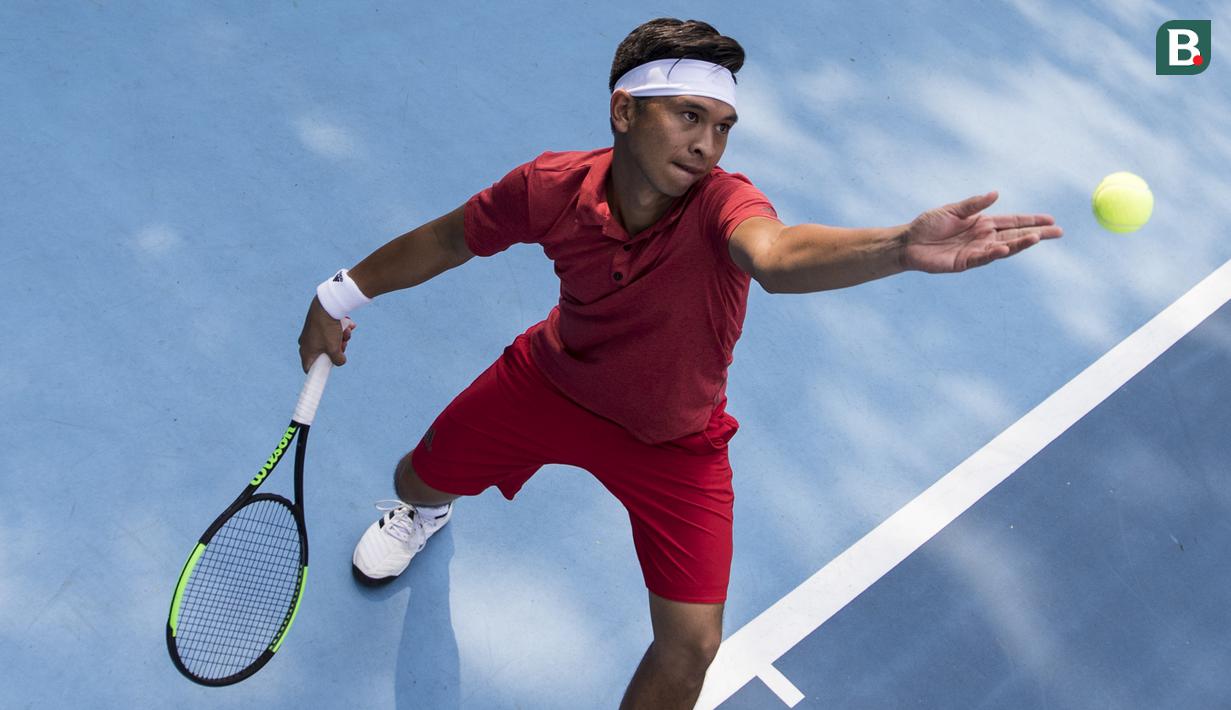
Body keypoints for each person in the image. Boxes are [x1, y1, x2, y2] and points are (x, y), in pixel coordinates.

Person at [297, 17, 1063, 709]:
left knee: (690, 646)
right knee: (411, 479)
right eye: (690, 117)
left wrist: (896, 246)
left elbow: (779, 255)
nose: (707, 145)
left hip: (673, 446)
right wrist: (337, 297)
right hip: (548, 384)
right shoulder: (549, 187)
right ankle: (426, 512)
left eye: (723, 126)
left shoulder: (724, 203)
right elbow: (447, 240)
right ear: (624, 112)